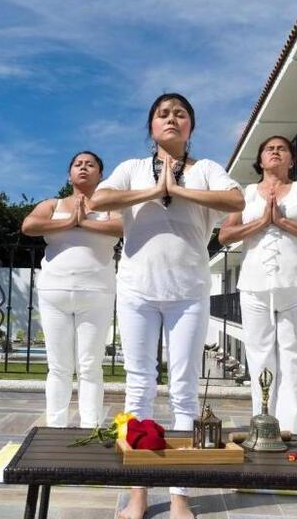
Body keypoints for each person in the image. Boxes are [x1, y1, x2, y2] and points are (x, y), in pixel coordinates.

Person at [90, 93, 244, 519]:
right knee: (138, 387)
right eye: (163, 114)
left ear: (190, 126)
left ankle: (180, 495)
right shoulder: (131, 169)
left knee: (184, 389)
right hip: (138, 289)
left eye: (180, 113)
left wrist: (178, 189)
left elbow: (236, 202)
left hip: (188, 291)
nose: (171, 118)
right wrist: (154, 190)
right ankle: (137, 492)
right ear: (152, 126)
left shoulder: (207, 170)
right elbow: (100, 201)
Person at [218, 135, 297, 434]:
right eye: (270, 149)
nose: (276, 152)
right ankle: (262, 429)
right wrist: (261, 222)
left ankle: (291, 431)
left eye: (283, 149)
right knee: (258, 357)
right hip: (254, 286)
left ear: (292, 159)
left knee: (294, 360)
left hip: (296, 285)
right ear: (261, 159)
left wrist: (282, 222)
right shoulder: (248, 193)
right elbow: (224, 236)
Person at [21, 151, 122, 429]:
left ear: (101, 174)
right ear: (70, 174)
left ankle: (91, 426)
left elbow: (122, 227)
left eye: (91, 165)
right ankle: (56, 427)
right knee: (59, 366)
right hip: (55, 292)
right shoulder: (53, 204)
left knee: (90, 366)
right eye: (78, 164)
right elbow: (29, 225)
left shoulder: (110, 206)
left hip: (97, 293)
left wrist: (84, 221)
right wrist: (69, 221)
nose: (84, 168)